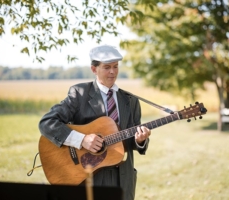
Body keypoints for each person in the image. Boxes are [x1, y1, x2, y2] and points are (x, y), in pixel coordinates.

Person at [38, 44, 151, 200]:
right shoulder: (79, 94)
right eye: (107, 67)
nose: (112, 72)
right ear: (94, 69)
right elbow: (47, 123)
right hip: (90, 179)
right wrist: (82, 140)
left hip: (123, 179)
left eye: (116, 67)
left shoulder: (130, 100)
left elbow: (132, 140)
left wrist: (140, 141)